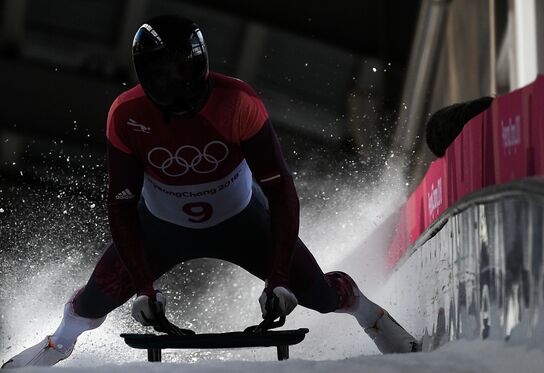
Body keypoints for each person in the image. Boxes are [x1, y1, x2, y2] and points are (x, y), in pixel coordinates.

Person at [2, 15, 419, 369]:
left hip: (245, 223)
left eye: (188, 75)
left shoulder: (238, 102)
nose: (182, 91)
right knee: (94, 303)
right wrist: (145, 287)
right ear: (148, 79)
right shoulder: (126, 116)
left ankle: (371, 315)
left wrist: (277, 279)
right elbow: (122, 205)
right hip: (161, 229)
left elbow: (281, 191)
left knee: (319, 296)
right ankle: (59, 342)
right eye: (169, 80)